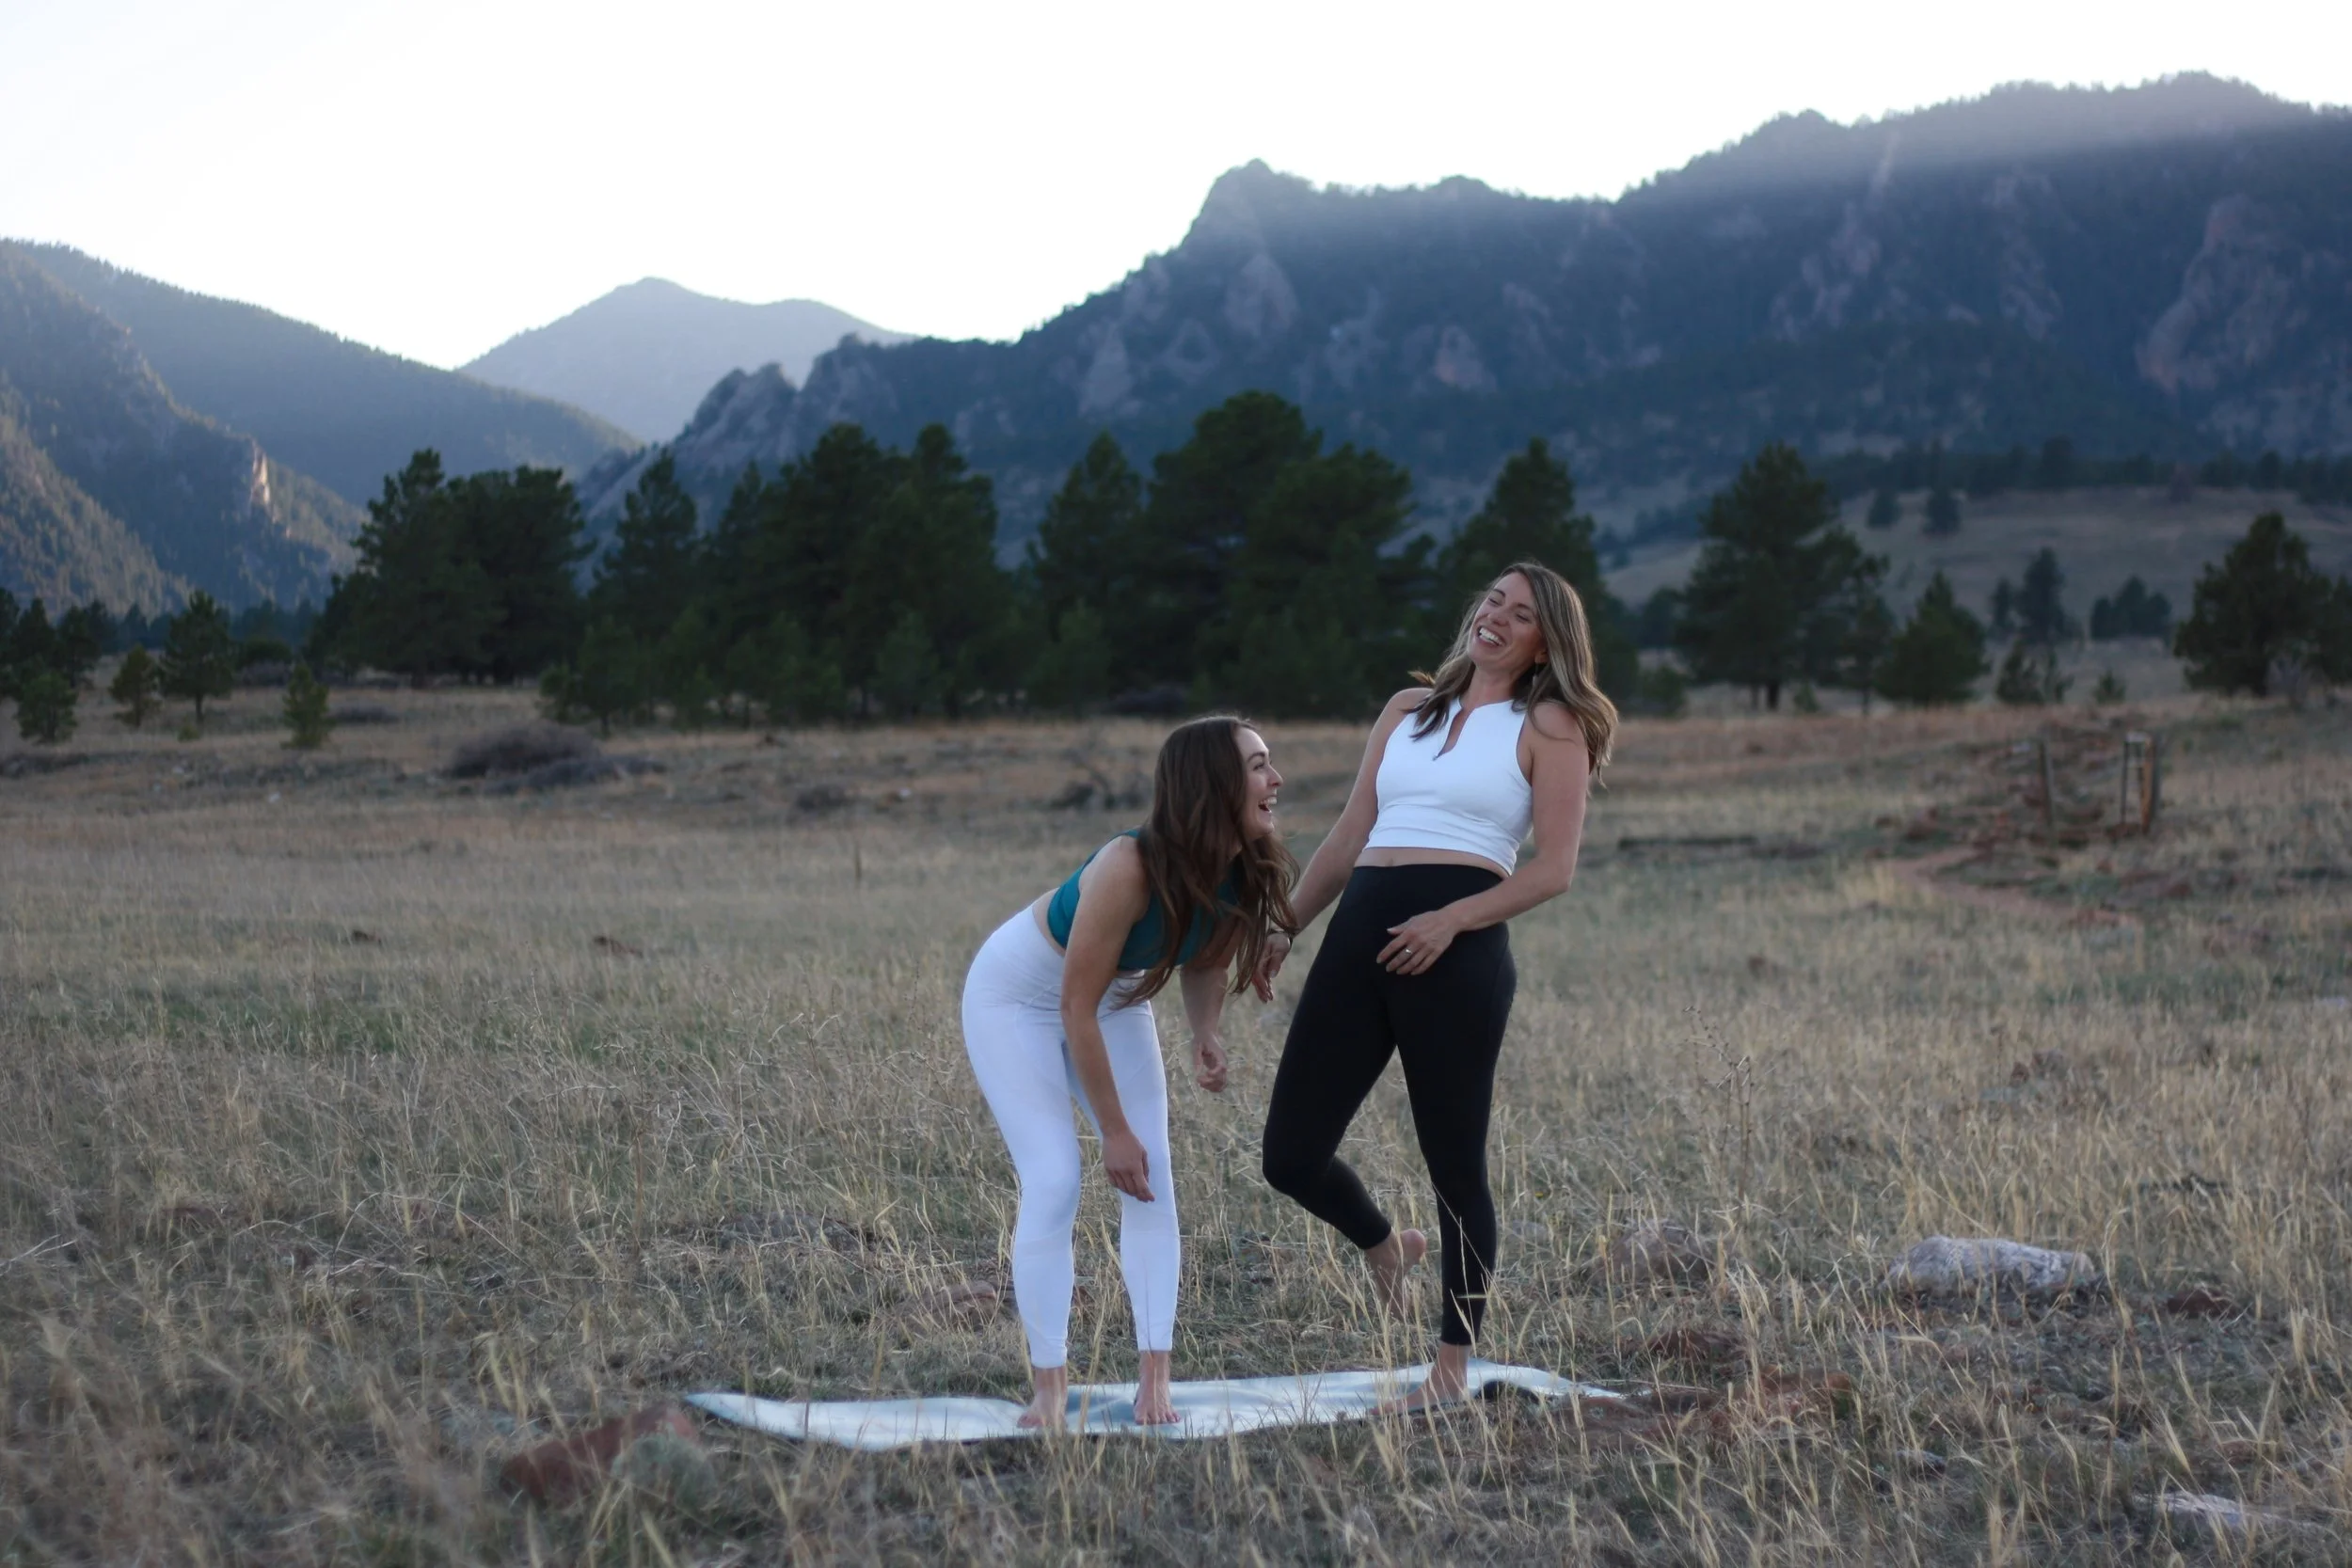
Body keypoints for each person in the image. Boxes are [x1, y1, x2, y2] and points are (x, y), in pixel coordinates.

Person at [1258, 562, 1615, 1412]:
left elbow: (1555, 869)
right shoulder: (1407, 710)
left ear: (1545, 642)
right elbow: (1352, 832)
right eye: (1493, 599)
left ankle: (1449, 1371)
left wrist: (1451, 920)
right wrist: (1287, 927)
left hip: (1455, 957)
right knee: (1289, 1155)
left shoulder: (1551, 722)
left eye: (1521, 614)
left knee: (1455, 1165)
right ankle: (1384, 1244)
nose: (1496, 617)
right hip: (1359, 938)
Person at [962, 715, 1297, 1428]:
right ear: (1213, 785)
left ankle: (1155, 1385)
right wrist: (1112, 1130)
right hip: (1017, 999)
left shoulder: (1247, 865)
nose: (1276, 781)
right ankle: (1049, 1391)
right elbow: (1071, 1005)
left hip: (1116, 996)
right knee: (1055, 1179)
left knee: (1154, 1181)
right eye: (1259, 766)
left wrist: (1204, 1030)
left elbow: (1205, 954)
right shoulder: (1128, 866)